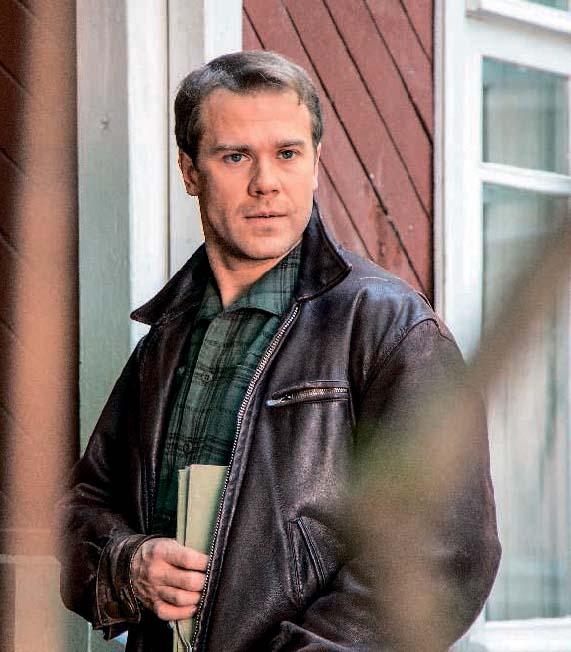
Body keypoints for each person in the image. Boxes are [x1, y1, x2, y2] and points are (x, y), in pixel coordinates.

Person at [58, 51, 501, 651]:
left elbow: (444, 555)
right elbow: (83, 506)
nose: (265, 181)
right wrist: (128, 563)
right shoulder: (167, 338)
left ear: (315, 163)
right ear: (189, 172)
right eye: (235, 156)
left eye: (287, 154)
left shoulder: (390, 326)